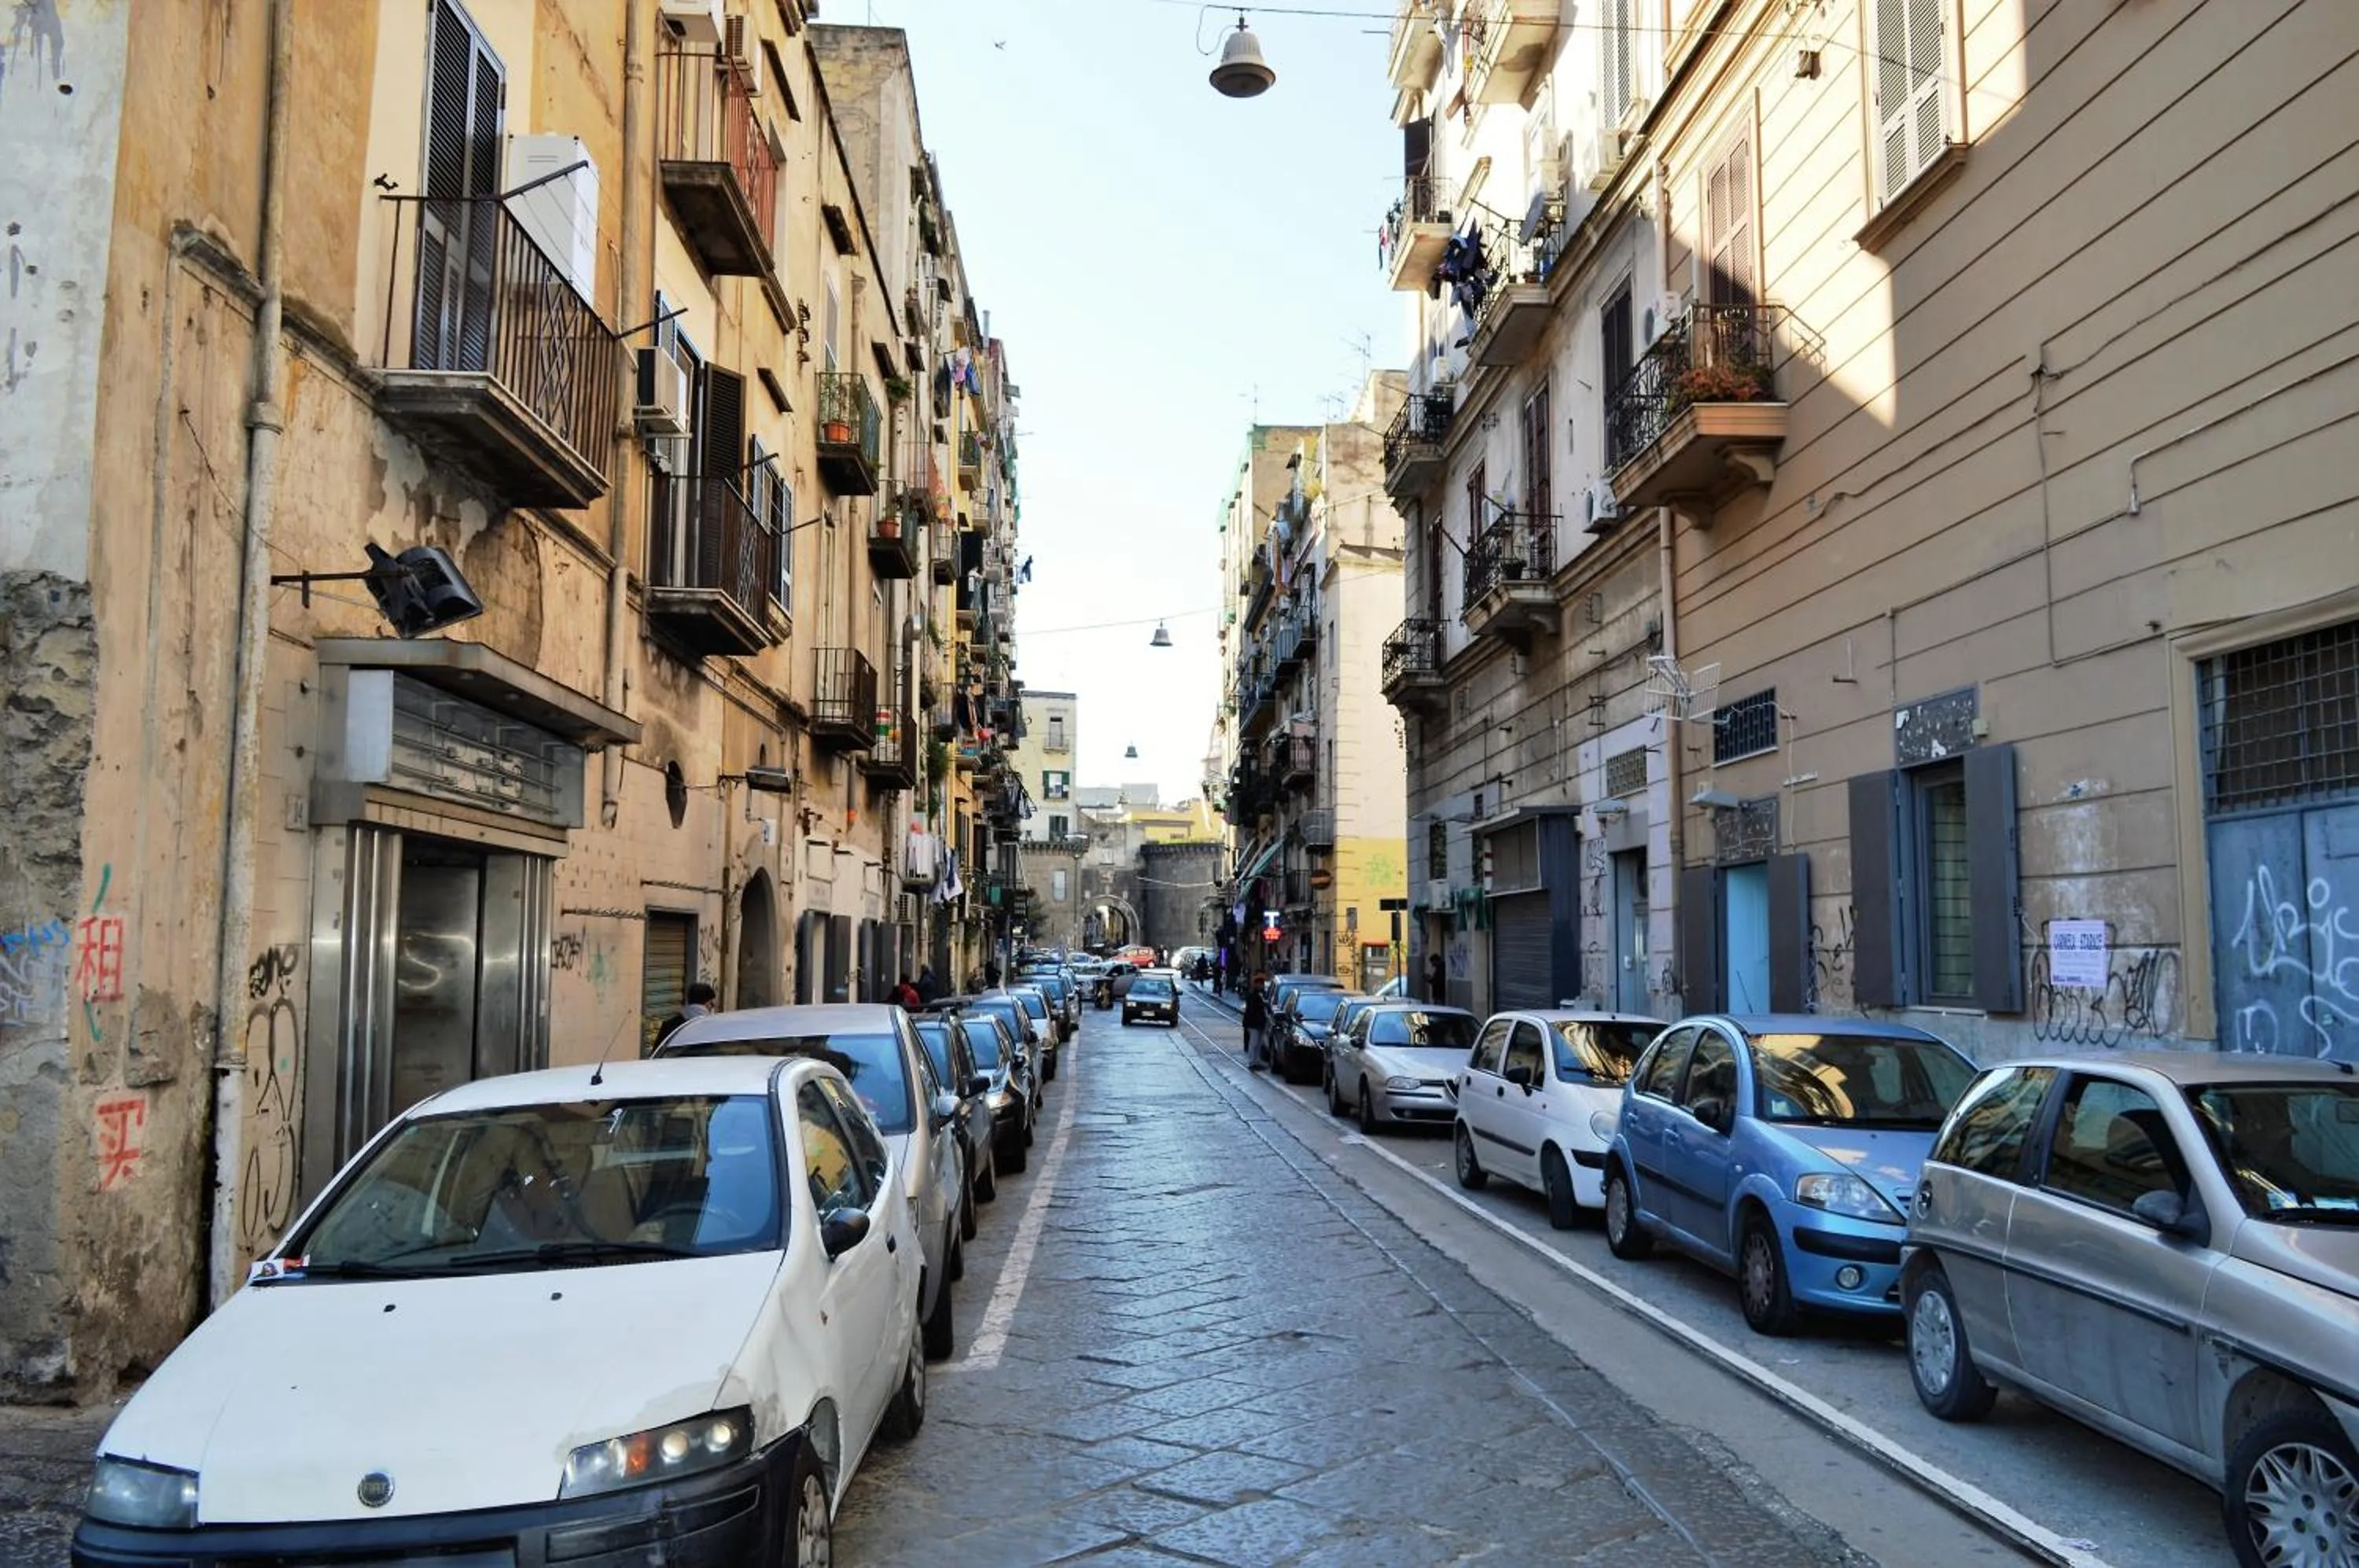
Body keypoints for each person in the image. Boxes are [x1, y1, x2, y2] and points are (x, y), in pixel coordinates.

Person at [653, 981, 717, 1048]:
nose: (712, 1007)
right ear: (707, 1003)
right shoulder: (712, 1028)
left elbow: (656, 1053)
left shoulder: (669, 1025)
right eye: (711, 1004)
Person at [1242, 974, 1268, 1072]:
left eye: (1262, 984)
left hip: (1259, 1023)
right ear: (1256, 984)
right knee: (1254, 1042)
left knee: (1258, 1043)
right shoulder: (1253, 995)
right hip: (1253, 1023)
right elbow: (1252, 1010)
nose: (1262, 985)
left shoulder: (1260, 994)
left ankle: (1256, 1060)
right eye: (1260, 984)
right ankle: (1252, 1061)